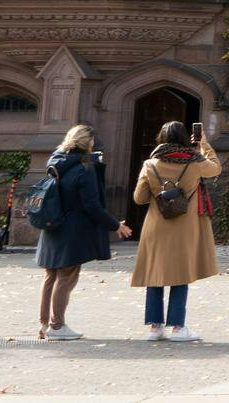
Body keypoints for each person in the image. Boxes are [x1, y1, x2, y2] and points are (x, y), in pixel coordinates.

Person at [34, 124, 133, 340]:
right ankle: (57, 326)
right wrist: (116, 225)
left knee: (51, 275)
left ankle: (44, 325)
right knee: (66, 277)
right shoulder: (82, 170)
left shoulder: (56, 162)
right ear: (87, 143)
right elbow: (93, 207)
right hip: (71, 232)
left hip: (53, 225)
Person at [131, 120, 221, 343]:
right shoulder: (195, 162)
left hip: (156, 225)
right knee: (181, 275)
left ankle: (154, 327)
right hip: (185, 226)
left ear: (160, 139)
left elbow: (139, 199)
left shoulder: (150, 164)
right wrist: (203, 144)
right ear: (184, 139)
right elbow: (216, 168)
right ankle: (178, 328)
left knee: (155, 273)